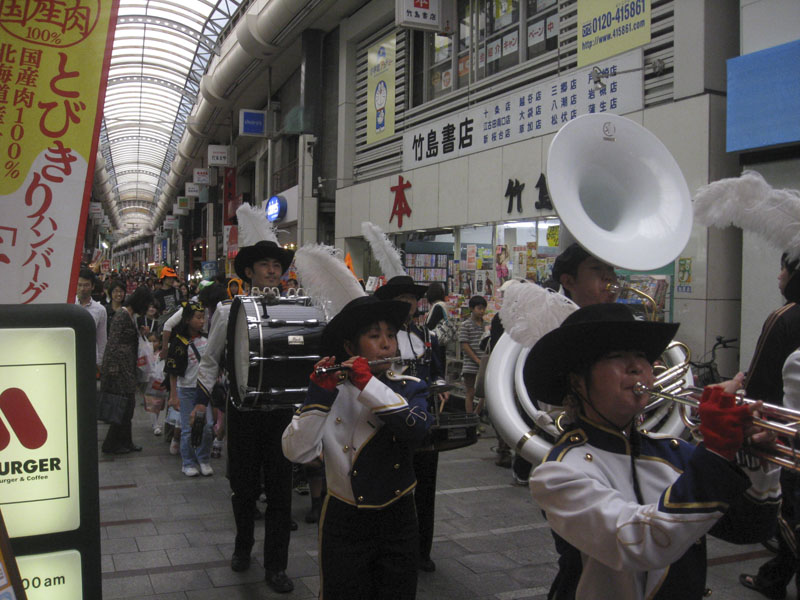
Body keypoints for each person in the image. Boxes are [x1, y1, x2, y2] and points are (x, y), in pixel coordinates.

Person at [527, 303, 781, 600]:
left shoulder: (673, 451)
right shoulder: (558, 472)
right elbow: (638, 543)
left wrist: (754, 460)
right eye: (616, 356)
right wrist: (716, 449)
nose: (637, 367)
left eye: (642, 357)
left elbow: (749, 530)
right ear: (577, 382)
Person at [282, 294, 432, 600]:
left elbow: (416, 428)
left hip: (397, 516)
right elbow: (296, 452)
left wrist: (368, 385)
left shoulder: (411, 386)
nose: (387, 344)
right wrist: (318, 395)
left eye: (391, 335)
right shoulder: (331, 390)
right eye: (374, 336)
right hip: (343, 517)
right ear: (350, 348)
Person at [191, 203, 295, 593]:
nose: (272, 271)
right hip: (244, 413)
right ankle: (242, 546)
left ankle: (277, 566)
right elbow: (210, 359)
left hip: (283, 414)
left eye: (276, 265)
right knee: (245, 487)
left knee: (282, 491)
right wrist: (201, 403)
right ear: (248, 272)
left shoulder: (293, 310)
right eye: (265, 265)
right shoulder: (228, 310)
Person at [739, 252, 800, 599]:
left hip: (785, 430)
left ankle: (773, 580)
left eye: (784, 268)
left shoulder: (784, 316)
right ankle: (772, 577)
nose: (779, 276)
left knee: (789, 512)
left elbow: (759, 382)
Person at [376, 274, 447, 573]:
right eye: (401, 300)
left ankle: (422, 550)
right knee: (391, 485)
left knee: (426, 488)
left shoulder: (427, 337)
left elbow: (438, 371)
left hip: (424, 419)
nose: (407, 305)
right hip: (389, 421)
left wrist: (441, 387)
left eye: (411, 300)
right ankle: (390, 546)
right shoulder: (381, 339)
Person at [101, 286, 155, 454]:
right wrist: (112, 369)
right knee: (122, 407)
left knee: (128, 406)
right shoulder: (122, 316)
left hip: (127, 367)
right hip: (119, 370)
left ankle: (126, 441)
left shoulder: (131, 316)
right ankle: (111, 444)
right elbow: (113, 344)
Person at [165, 302, 213, 477]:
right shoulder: (178, 342)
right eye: (198, 318)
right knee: (187, 428)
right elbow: (172, 372)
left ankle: (203, 459)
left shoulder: (207, 339)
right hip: (186, 390)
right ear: (187, 320)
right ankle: (188, 462)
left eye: (203, 318)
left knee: (207, 427)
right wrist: (173, 395)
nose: (202, 321)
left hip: (204, 390)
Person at [459, 295, 487, 415]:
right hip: (470, 364)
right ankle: (470, 420)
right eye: (479, 308)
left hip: (483, 363)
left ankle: (476, 415)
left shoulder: (487, 325)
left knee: (484, 393)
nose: (482, 311)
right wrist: (477, 360)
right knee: (470, 392)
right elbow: (464, 345)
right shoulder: (465, 325)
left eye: (483, 308)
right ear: (471, 308)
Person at [75, 267, 107, 372]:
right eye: (79, 285)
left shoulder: (100, 310)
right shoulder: (69, 305)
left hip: (90, 359)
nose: (82, 289)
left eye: (86, 285)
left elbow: (101, 339)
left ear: (92, 286)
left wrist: (100, 362)